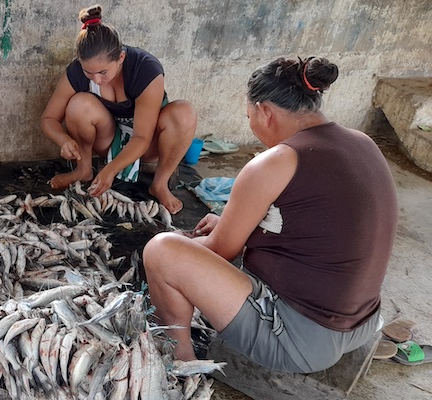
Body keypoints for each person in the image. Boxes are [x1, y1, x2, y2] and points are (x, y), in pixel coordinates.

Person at [142, 56, 397, 373]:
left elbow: (222, 251)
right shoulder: (362, 141)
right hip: (361, 322)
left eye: (249, 116)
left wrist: (186, 246)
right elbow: (318, 223)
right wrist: (230, 224)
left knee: (161, 251)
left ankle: (178, 362)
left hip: (300, 340)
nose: (251, 123)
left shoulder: (277, 161)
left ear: (265, 111)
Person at [40, 4, 197, 214]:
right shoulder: (76, 72)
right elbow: (49, 118)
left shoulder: (145, 68)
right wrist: (64, 140)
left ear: (121, 58)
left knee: (184, 112)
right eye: (89, 72)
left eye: (103, 72)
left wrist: (110, 170)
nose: (97, 79)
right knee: (79, 104)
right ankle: (83, 169)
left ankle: (160, 183)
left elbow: (141, 137)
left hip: (148, 144)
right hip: (109, 140)